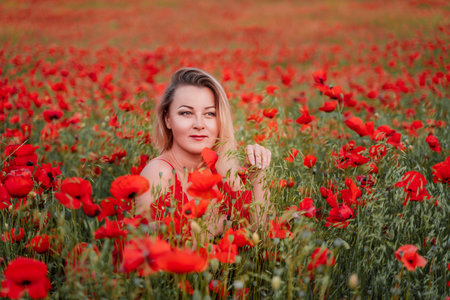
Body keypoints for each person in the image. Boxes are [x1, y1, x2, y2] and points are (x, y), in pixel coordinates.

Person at [135, 67, 271, 237]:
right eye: (186, 113)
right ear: (167, 119)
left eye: (210, 113)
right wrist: (221, 225)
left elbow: (261, 240)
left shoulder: (222, 168)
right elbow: (151, 251)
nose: (199, 124)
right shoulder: (158, 173)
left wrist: (258, 176)